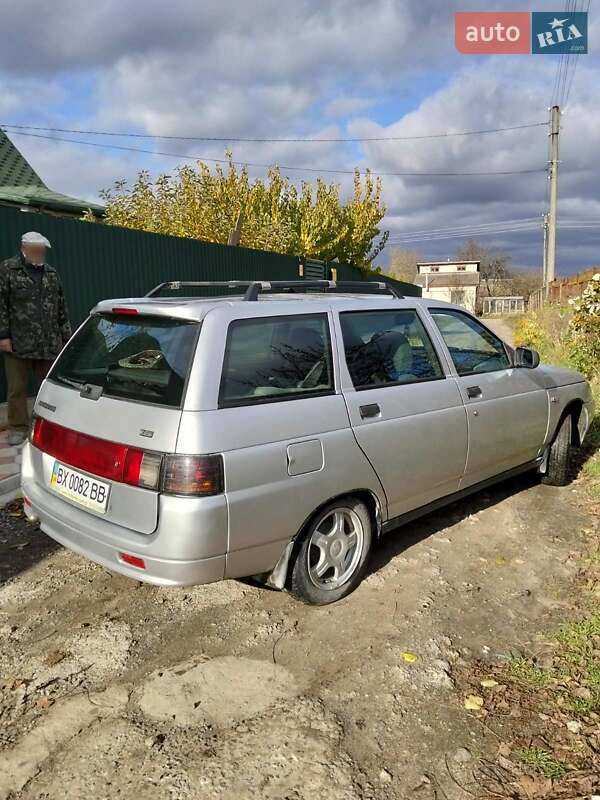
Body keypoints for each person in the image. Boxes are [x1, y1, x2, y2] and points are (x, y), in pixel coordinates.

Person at [0, 232, 71, 445]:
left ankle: (50, 423)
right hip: (18, 342)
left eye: (43, 251)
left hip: (48, 342)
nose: (41, 254)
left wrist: (66, 334)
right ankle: (18, 427)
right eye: (38, 250)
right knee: (17, 388)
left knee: (49, 386)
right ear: (25, 248)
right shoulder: (7, 269)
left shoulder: (51, 273)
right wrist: (3, 336)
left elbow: (61, 306)